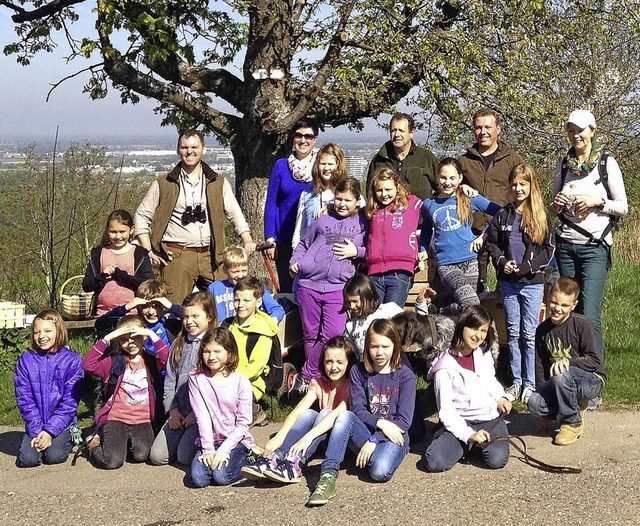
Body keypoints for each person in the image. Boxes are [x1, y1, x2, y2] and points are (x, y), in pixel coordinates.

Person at [133, 129, 256, 303]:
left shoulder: (217, 181)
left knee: (225, 305)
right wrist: (148, 250)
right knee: (175, 311)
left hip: (212, 256)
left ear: (203, 149)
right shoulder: (164, 182)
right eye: (184, 147)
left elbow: (234, 212)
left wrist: (247, 239)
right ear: (178, 150)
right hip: (177, 255)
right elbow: (141, 216)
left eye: (194, 147)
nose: (189, 151)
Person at [306, 319, 416, 506]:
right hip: (364, 433)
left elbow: (404, 422)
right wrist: (379, 425)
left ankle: (370, 458)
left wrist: (376, 440)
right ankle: (328, 474)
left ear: (395, 346)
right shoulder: (358, 371)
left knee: (379, 471)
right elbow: (358, 410)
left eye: (385, 346)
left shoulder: (405, 375)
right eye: (374, 346)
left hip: (394, 437)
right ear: (367, 347)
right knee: (345, 416)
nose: (379, 352)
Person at [551, 110, 628, 360]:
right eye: (571, 131)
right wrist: (558, 204)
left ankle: (595, 373)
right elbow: (554, 207)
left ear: (592, 130)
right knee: (566, 309)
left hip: (594, 247)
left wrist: (597, 201)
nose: (576, 136)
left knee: (589, 312)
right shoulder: (563, 165)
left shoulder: (606, 163)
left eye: (581, 130)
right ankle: (568, 365)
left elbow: (623, 207)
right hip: (565, 246)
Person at [241, 336, 357, 489]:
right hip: (320, 439)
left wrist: (307, 438)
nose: (333, 367)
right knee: (309, 414)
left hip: (339, 443)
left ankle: (295, 463)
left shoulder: (351, 385)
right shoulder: (318, 383)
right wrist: (280, 437)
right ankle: (276, 457)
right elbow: (297, 411)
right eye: (329, 361)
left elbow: (335, 415)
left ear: (349, 363)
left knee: (324, 414)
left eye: (339, 362)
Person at [288, 177, 368, 396]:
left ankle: (306, 375)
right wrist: (296, 262)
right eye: (338, 199)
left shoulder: (363, 222)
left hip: (338, 287)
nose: (342, 204)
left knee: (331, 334)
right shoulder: (323, 220)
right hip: (308, 284)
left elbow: (370, 250)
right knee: (311, 335)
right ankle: (316, 385)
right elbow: (304, 243)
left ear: (357, 201)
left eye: (347, 200)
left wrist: (357, 253)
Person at [485, 163, 555, 403]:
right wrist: (501, 261)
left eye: (523, 184)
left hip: (532, 283)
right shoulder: (503, 214)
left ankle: (531, 382)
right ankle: (516, 381)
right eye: (514, 184)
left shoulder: (540, 216)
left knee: (529, 333)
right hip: (509, 283)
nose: (518, 188)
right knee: (513, 333)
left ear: (531, 185)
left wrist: (527, 267)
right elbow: (491, 242)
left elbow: (548, 250)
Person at [424, 305, 511, 472]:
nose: (478, 336)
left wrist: (501, 397)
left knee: (497, 459)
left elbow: (490, 380)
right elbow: (446, 410)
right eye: (473, 328)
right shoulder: (444, 368)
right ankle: (465, 442)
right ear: (462, 326)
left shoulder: (482, 353)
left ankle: (470, 446)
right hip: (462, 421)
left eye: (483, 331)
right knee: (435, 461)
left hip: (489, 419)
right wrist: (468, 435)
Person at [82, 315, 169, 469]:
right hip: (116, 418)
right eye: (124, 339)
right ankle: (93, 442)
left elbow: (170, 360)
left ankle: (122, 444)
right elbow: (87, 365)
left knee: (141, 455)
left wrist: (152, 335)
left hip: (142, 420)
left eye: (135, 337)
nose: (130, 343)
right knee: (112, 462)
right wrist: (108, 338)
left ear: (143, 337)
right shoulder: (114, 362)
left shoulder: (151, 361)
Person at [527, 277, 606, 446]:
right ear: (548, 298)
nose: (557, 308)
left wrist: (569, 362)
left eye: (564, 305)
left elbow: (594, 361)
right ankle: (568, 409)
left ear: (574, 305)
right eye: (554, 302)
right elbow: (540, 366)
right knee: (534, 403)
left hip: (589, 380)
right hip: (559, 382)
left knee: (562, 373)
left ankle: (572, 423)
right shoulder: (542, 330)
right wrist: (545, 411)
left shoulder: (582, 325)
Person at [419, 158, 500, 315]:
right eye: (443, 177)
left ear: (460, 178)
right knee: (472, 302)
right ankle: (437, 311)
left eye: (452, 178)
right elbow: (427, 230)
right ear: (437, 178)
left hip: (470, 260)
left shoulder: (469, 198)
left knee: (468, 309)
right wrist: (422, 249)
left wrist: (484, 235)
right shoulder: (429, 204)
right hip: (446, 264)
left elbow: (500, 213)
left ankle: (438, 311)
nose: (447, 182)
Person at [149, 291, 217, 466]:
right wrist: (173, 411)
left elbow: (216, 385)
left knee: (184, 457)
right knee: (157, 457)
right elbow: (170, 381)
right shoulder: (178, 344)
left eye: (196, 316)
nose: (190, 321)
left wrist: (196, 414)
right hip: (179, 411)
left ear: (209, 317)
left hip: (202, 414)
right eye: (186, 317)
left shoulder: (214, 346)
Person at [458, 108, 524, 284]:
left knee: (507, 282)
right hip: (472, 231)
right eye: (478, 128)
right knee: (475, 283)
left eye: (488, 127)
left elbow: (525, 190)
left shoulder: (512, 159)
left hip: (504, 231)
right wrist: (461, 188)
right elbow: (449, 190)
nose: (483, 132)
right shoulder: (464, 161)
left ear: (498, 129)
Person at [14, 310, 83, 468]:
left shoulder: (72, 360)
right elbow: (24, 399)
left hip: (62, 423)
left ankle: (71, 435)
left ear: (58, 331)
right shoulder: (25, 361)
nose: (41, 336)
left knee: (54, 457)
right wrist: (38, 430)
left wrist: (50, 432)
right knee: (28, 460)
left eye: (47, 331)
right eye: (37, 332)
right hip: (36, 423)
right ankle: (40, 437)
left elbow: (70, 403)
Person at [188, 327, 254, 487]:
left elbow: (243, 423)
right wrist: (208, 450)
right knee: (199, 479)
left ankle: (250, 462)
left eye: (217, 351)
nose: (211, 357)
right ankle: (216, 459)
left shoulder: (241, 381)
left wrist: (224, 451)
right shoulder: (196, 378)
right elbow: (201, 415)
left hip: (236, 441)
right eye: (206, 351)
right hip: (212, 439)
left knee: (222, 477)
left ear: (229, 352)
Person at [264, 119, 319, 293]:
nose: (303, 140)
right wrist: (270, 239)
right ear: (293, 138)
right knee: (289, 293)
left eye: (308, 136)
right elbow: (271, 204)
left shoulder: (322, 166)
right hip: (286, 241)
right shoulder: (281, 166)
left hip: (315, 240)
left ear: (315, 140)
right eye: (299, 135)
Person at [365, 167, 422, 306]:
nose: (384, 194)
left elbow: (434, 207)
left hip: (400, 271)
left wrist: (424, 248)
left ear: (397, 187)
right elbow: (349, 209)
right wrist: (329, 208)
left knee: (392, 319)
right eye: (379, 190)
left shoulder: (412, 204)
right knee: (375, 319)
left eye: (388, 190)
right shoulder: (372, 210)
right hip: (375, 273)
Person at [82, 209, 154, 318]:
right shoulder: (98, 253)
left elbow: (147, 284)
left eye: (122, 232)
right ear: (107, 231)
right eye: (113, 232)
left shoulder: (140, 254)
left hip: (132, 315)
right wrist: (102, 276)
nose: (118, 236)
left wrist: (121, 276)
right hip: (103, 315)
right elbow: (86, 285)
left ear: (131, 230)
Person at [227, 277, 279, 427]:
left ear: (258, 302)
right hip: (227, 376)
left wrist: (228, 378)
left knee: (232, 408)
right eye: (237, 300)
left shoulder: (262, 331)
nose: (240, 305)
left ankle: (255, 410)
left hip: (252, 382)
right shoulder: (228, 325)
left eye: (246, 301)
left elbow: (255, 369)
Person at [366, 112, 438, 200]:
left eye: (401, 131)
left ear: (411, 133)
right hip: (386, 213)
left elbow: (441, 187)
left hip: (419, 213)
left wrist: (430, 207)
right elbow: (370, 192)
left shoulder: (426, 158)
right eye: (393, 130)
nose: (397, 135)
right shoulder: (379, 160)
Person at [94, 278, 184, 348]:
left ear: (164, 305)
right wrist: (126, 307)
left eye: (156, 306)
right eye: (145, 306)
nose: (151, 312)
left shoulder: (171, 322)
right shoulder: (134, 323)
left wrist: (172, 306)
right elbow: (101, 324)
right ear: (138, 306)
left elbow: (193, 320)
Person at [291, 142, 348, 249]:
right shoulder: (307, 194)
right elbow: (299, 230)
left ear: (338, 166)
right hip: (311, 254)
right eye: (323, 164)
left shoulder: (350, 194)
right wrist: (296, 256)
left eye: (331, 164)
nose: (326, 168)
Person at [207, 245, 284, 323]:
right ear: (225, 270)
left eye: (244, 271)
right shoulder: (215, 288)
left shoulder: (256, 286)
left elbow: (276, 309)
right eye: (235, 272)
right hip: (224, 331)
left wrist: (272, 321)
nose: (240, 275)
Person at [343, 273, 403, 360]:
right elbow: (353, 355)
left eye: (355, 301)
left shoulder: (389, 311)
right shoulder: (350, 326)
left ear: (367, 296)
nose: (352, 306)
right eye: (348, 302)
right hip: (367, 370)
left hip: (393, 369)